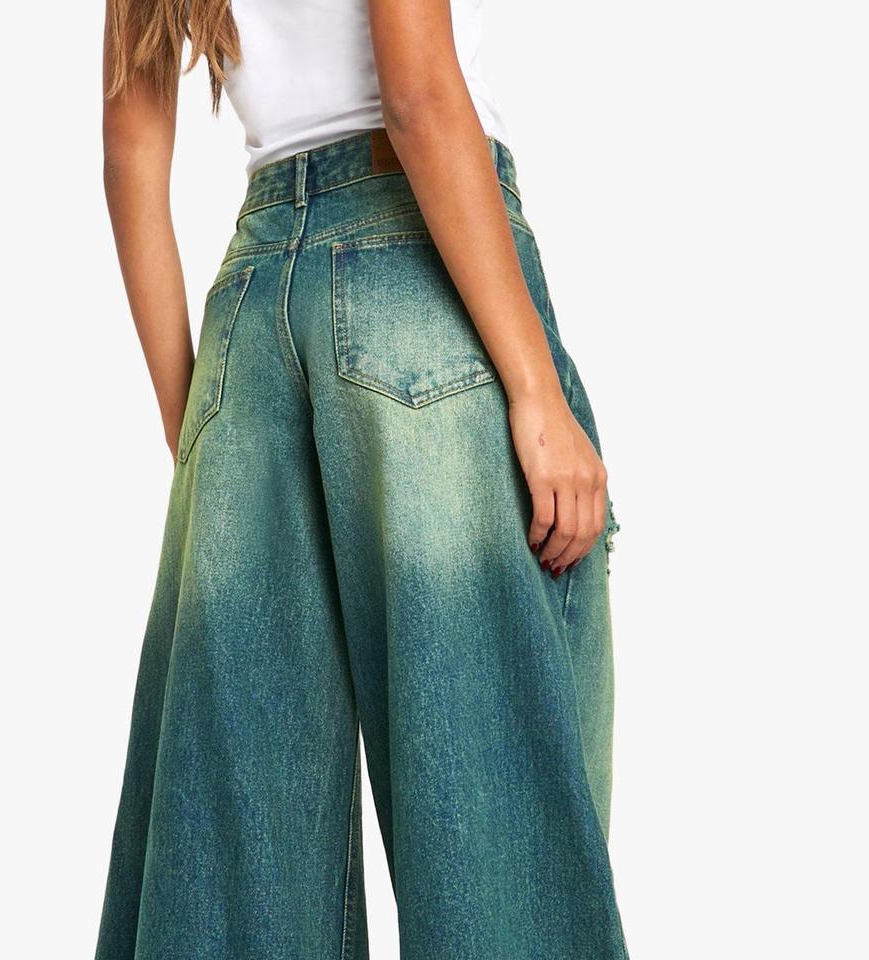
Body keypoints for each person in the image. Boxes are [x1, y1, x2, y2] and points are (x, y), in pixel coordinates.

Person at [95, 0, 628, 957]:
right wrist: (536, 392)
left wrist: (199, 433)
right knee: (498, 819)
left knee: (238, 851)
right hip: (416, 279)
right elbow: (417, 94)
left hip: (249, 321)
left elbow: (130, 147)